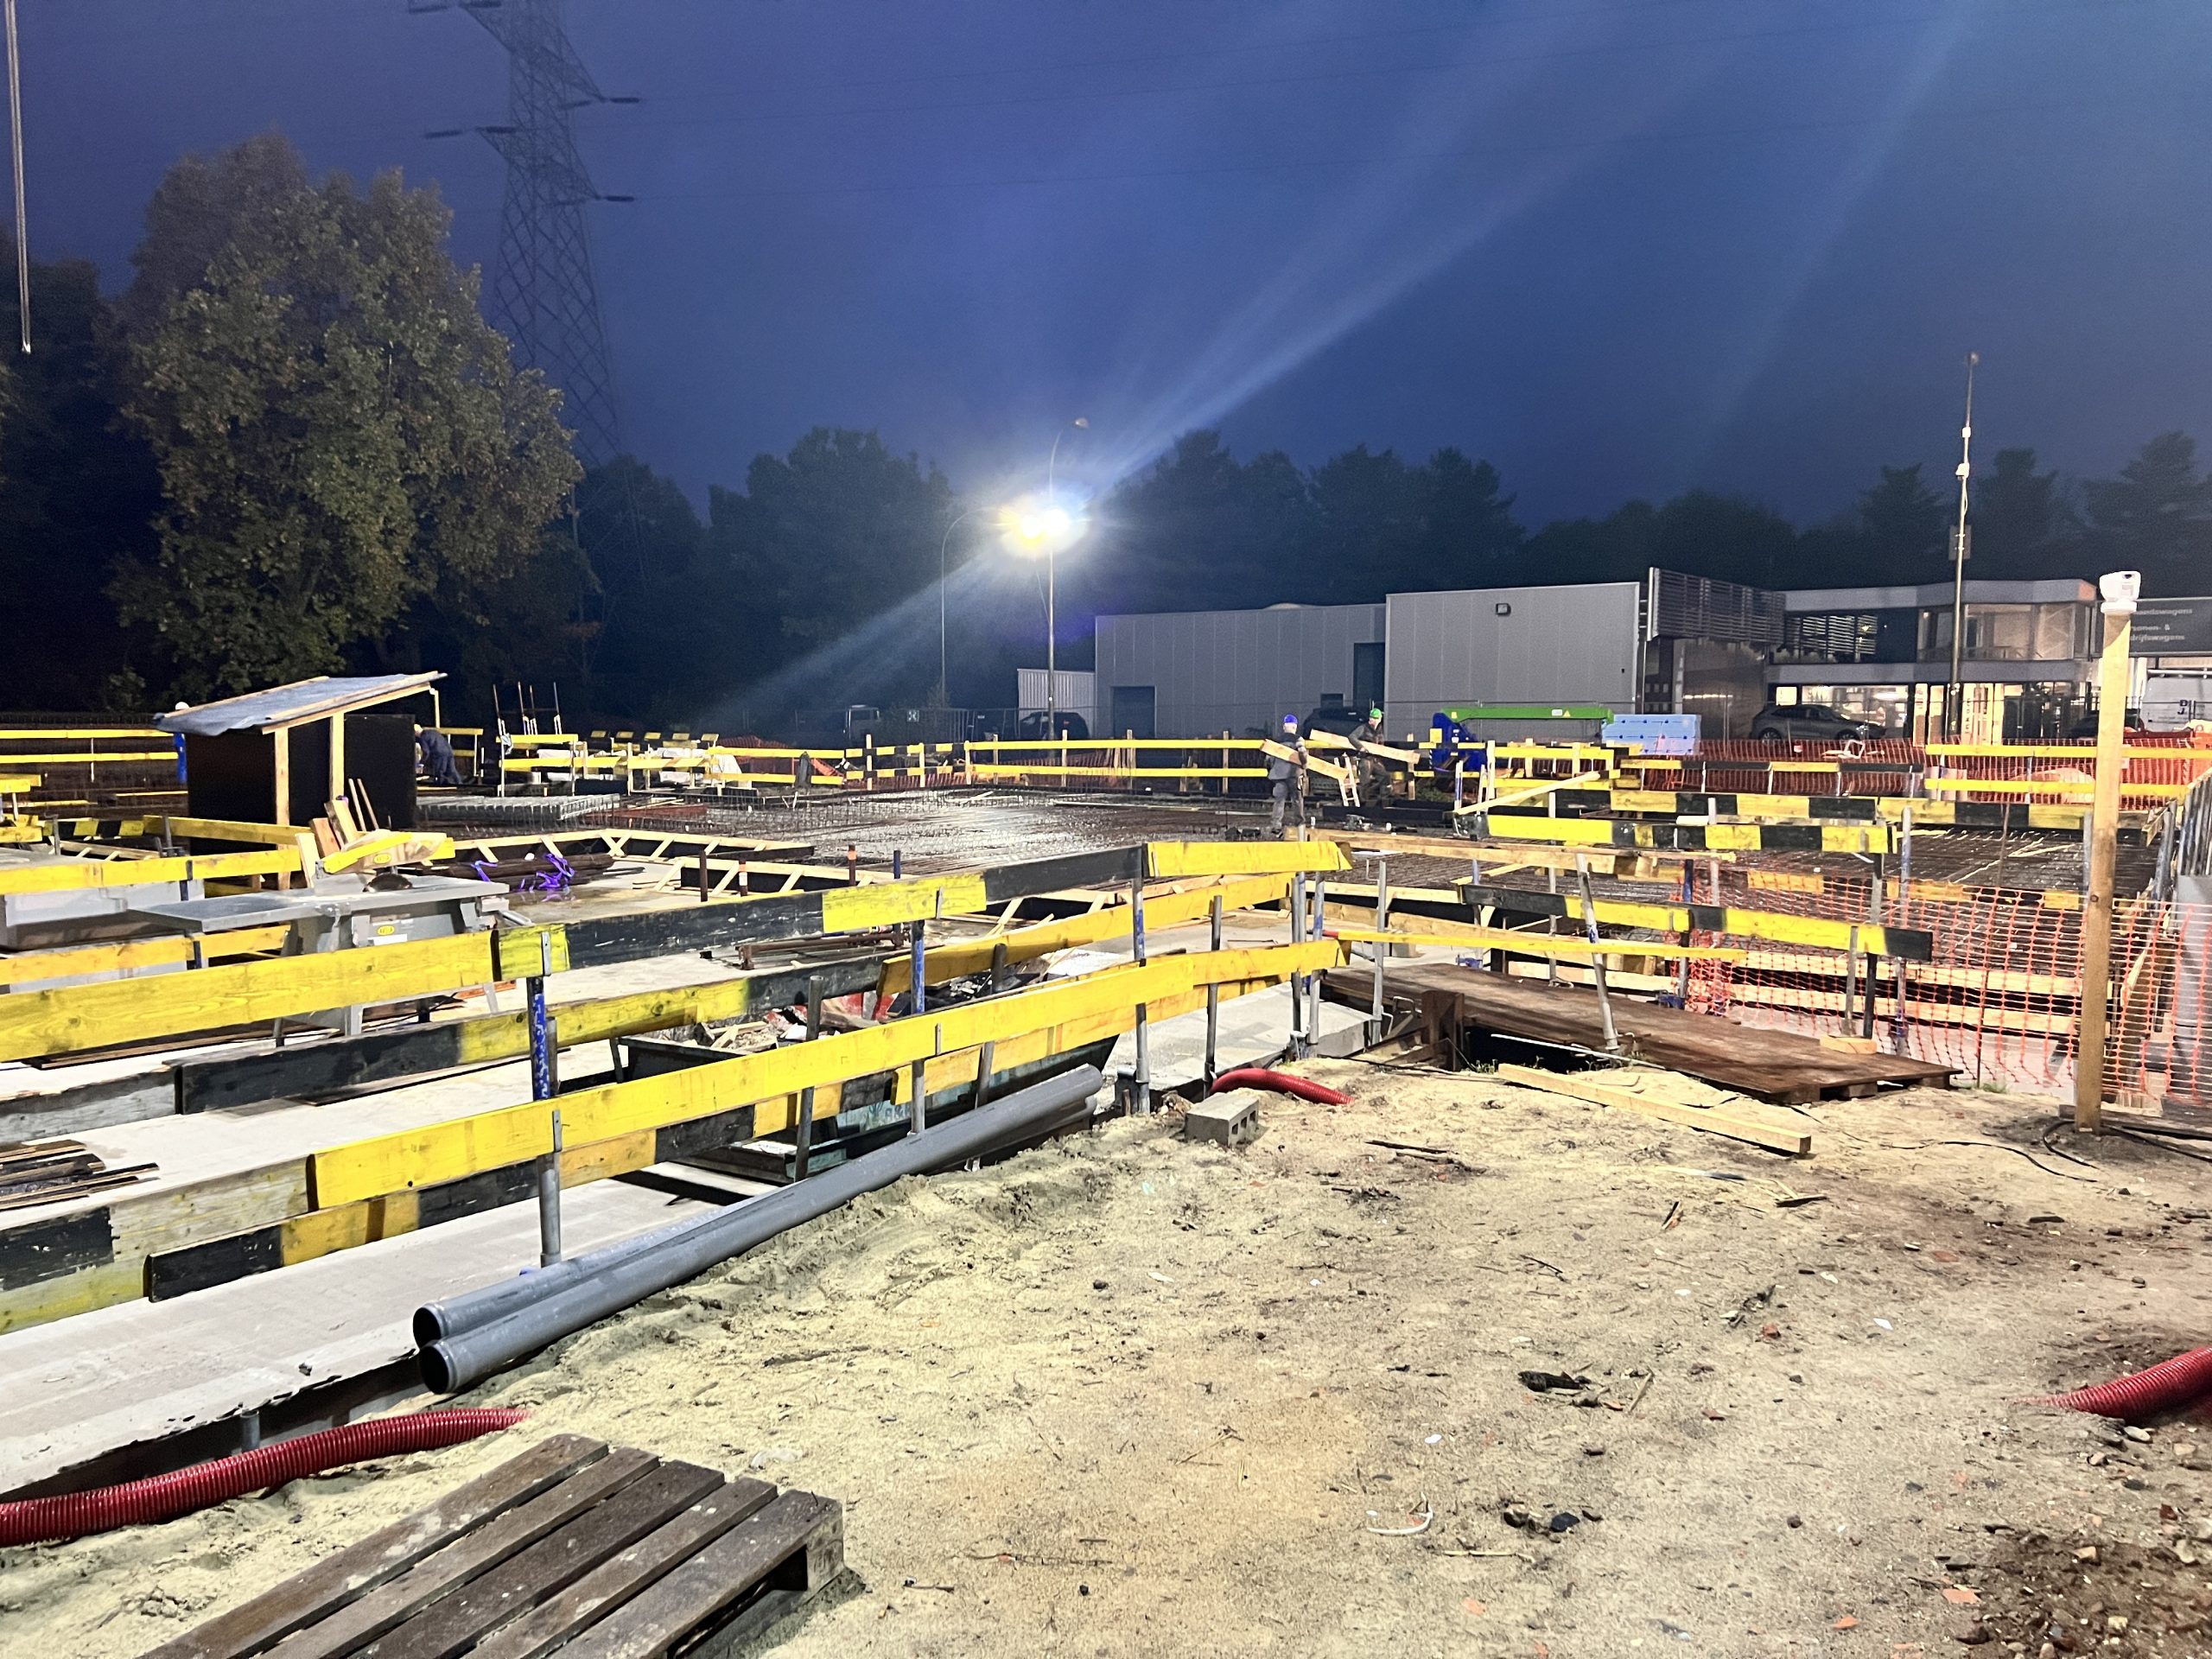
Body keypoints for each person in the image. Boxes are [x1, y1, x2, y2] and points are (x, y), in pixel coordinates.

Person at [1267, 712, 1307, 834]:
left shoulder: (1277, 741)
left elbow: (1268, 759)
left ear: (1284, 727)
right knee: (1297, 800)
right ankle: (1300, 824)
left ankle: (1276, 825)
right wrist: (1304, 765)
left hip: (1279, 775)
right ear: (1295, 727)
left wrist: (1272, 770)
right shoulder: (1298, 739)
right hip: (1293, 775)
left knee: (1279, 800)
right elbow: (1302, 753)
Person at [1355, 705, 1390, 806]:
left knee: (1385, 776)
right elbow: (1352, 737)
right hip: (1365, 759)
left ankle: (1384, 799)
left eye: (1374, 718)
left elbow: (1381, 742)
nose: (1371, 720)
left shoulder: (1379, 729)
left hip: (1375, 759)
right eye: (1371, 718)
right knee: (1365, 781)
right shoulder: (1363, 728)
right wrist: (1360, 747)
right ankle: (1363, 802)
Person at [415, 722, 462, 787]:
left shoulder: (423, 737)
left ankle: (440, 786)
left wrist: (422, 763)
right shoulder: (433, 732)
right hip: (449, 751)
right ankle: (460, 784)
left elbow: (426, 752)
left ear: (416, 732)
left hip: (439, 754)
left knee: (440, 771)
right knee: (452, 770)